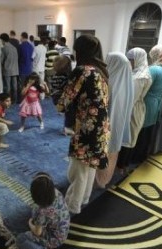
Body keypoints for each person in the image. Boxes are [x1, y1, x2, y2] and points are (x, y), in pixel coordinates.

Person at [57, 34, 110, 214]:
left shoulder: (83, 71)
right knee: (89, 165)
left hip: (86, 127)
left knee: (79, 168)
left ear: (79, 51)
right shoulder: (101, 70)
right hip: (101, 127)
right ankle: (85, 197)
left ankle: (73, 205)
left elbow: (63, 102)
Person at [16, 172, 70, 249]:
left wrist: (30, 224)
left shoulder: (41, 212)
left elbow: (37, 232)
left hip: (54, 239)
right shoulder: (57, 192)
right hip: (63, 230)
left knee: (20, 239)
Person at [95, 52, 134, 188]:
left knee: (102, 152)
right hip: (119, 125)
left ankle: (98, 181)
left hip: (105, 126)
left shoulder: (109, 82)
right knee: (112, 153)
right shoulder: (128, 82)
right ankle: (105, 180)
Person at [131, 45, 162, 163]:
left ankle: (134, 158)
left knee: (140, 131)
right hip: (157, 102)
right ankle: (142, 155)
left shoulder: (154, 69)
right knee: (149, 131)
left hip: (147, 101)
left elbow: (143, 87)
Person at [117, 47, 152, 171]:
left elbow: (131, 98)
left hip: (132, 109)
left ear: (137, 59)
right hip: (131, 107)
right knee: (127, 137)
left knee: (128, 137)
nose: (128, 62)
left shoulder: (140, 77)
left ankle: (122, 165)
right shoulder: (137, 72)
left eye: (130, 59)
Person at [50, 55, 73, 135]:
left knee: (67, 114)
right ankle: (67, 128)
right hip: (61, 98)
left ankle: (66, 127)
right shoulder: (65, 77)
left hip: (55, 98)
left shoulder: (54, 76)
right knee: (69, 113)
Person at [0, 33, 19, 103]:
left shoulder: (4, 48)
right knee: (15, 87)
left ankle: (8, 101)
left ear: (2, 40)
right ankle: (15, 100)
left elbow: (1, 60)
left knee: (7, 87)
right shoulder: (14, 48)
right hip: (15, 69)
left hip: (7, 69)